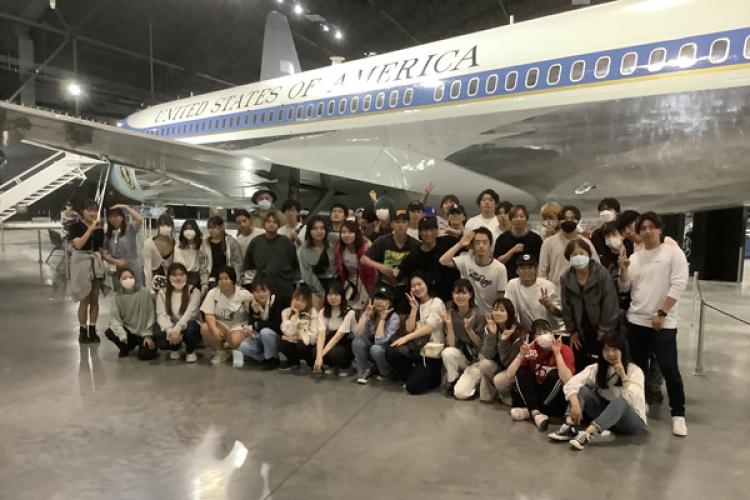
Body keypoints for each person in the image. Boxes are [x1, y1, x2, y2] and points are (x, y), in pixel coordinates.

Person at [619, 211, 689, 437]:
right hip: (636, 320)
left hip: (663, 322)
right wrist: (623, 269)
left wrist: (662, 312)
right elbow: (626, 288)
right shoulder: (636, 257)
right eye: (643, 228)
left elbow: (678, 284)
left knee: (669, 368)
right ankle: (642, 404)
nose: (647, 231)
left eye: (652, 227)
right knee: (638, 368)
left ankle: (678, 414)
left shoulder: (672, 253)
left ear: (660, 229)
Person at [549, 331, 646, 450]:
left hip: (630, 421)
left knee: (620, 401)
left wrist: (623, 376)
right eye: (606, 350)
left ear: (623, 350)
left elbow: (634, 400)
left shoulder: (634, 371)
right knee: (582, 389)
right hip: (605, 414)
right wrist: (575, 404)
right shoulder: (597, 369)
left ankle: (588, 433)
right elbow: (572, 383)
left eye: (615, 349)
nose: (610, 353)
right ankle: (570, 426)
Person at [560, 239, 622, 371]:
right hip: (580, 328)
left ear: (588, 254)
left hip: (603, 327)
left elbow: (610, 302)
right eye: (573, 255)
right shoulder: (565, 277)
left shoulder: (601, 273)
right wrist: (572, 331)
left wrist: (604, 329)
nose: (578, 257)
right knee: (581, 363)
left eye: (581, 253)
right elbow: (566, 306)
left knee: (604, 362)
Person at [503, 319, 575, 430]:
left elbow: (568, 380)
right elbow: (509, 374)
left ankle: (531, 411)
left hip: (554, 399)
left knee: (555, 374)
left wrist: (557, 353)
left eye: (546, 332)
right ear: (534, 337)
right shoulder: (531, 349)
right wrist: (521, 355)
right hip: (536, 393)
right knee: (521, 371)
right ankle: (536, 412)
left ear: (552, 333)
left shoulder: (565, 350)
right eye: (539, 334)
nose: (543, 336)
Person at [385, 272, 446, 395]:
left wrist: (406, 338)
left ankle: (428, 375)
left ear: (427, 284)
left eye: (420, 284)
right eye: (413, 286)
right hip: (416, 350)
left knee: (414, 387)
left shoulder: (436, 302)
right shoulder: (414, 304)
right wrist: (413, 309)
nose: (417, 288)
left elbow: (429, 327)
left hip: (431, 352)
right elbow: (409, 327)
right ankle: (413, 372)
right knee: (390, 351)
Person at [361, 209, 420, 318]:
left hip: (405, 288)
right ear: (392, 224)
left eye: (404, 221)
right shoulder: (382, 241)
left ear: (408, 223)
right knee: (379, 316)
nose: (400, 225)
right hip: (384, 285)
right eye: (397, 222)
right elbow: (364, 259)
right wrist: (381, 267)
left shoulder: (415, 244)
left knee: (402, 319)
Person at [439, 227, 507, 315]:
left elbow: (501, 299)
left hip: (489, 315)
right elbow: (443, 261)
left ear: (490, 245)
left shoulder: (500, 268)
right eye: (477, 242)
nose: (481, 246)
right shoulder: (466, 260)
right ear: (472, 245)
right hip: (468, 313)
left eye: (485, 242)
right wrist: (460, 244)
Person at [439, 279, 487, 399]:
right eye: (456, 293)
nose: (459, 296)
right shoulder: (450, 312)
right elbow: (452, 345)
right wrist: (449, 326)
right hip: (463, 356)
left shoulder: (479, 314)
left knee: (460, 394)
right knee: (447, 352)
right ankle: (453, 380)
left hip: (478, 359)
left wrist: (469, 330)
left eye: (463, 293)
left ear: (470, 294)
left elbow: (481, 344)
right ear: (452, 294)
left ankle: (475, 382)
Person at [69, 199, 106, 344]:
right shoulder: (75, 226)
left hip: (95, 262)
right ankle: (82, 330)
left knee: (95, 299)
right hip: (81, 261)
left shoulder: (100, 229)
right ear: (82, 211)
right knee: (84, 297)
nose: (92, 213)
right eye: (89, 210)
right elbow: (78, 244)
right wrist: (90, 229)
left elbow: (100, 249)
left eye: (95, 210)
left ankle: (93, 329)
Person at [400, 216, 460, 303]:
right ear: (419, 232)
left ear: (437, 231)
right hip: (429, 301)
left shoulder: (448, 242)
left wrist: (459, 232)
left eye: (432, 230)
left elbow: (468, 242)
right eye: (425, 230)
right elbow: (405, 276)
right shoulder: (413, 256)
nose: (429, 233)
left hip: (454, 298)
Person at [200, 267, 253, 365]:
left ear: (233, 280)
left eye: (226, 278)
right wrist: (214, 329)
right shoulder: (213, 293)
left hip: (239, 325)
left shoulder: (243, 294)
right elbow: (208, 313)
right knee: (205, 328)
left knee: (235, 339)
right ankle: (220, 352)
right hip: (222, 324)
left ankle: (238, 350)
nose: (223, 281)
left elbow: (254, 310)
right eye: (220, 279)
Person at [103, 267, 158, 360]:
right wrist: (121, 333)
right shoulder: (117, 297)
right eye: (124, 278)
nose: (128, 280)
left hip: (144, 331)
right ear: (119, 280)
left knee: (145, 355)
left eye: (130, 277)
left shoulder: (144, 292)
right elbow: (114, 319)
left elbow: (151, 315)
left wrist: (148, 335)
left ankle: (149, 345)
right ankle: (125, 348)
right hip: (128, 331)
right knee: (110, 332)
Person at [538, 205, 599, 287]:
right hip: (556, 293)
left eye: (572, 218)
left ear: (577, 221)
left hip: (582, 293)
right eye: (565, 218)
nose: (569, 221)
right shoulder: (548, 243)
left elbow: (597, 268)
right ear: (559, 221)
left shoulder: (586, 242)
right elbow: (542, 272)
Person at [235, 277, 288, 369]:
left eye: (264, 291)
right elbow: (252, 324)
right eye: (257, 292)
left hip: (276, 336)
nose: (261, 295)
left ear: (269, 291)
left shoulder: (277, 301)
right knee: (242, 346)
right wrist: (256, 314)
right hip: (259, 337)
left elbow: (276, 325)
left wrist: (257, 325)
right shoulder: (254, 304)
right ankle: (265, 358)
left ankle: (272, 358)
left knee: (265, 332)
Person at [244, 212, 299, 300]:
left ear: (279, 225)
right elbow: (248, 266)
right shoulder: (256, 242)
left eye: (274, 222)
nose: (271, 224)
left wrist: (291, 281)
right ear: (264, 224)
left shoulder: (286, 242)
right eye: (268, 221)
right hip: (261, 289)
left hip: (283, 288)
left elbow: (295, 265)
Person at [479, 298, 524, 404]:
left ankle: (509, 396)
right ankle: (492, 393)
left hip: (514, 370)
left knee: (499, 380)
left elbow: (508, 363)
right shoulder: (490, 326)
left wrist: (503, 342)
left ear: (510, 313)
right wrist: (492, 334)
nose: (497, 313)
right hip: (499, 365)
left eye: (502, 310)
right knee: (484, 364)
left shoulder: (519, 332)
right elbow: (487, 354)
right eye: (495, 309)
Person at [504, 253, 564, 332]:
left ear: (536, 270)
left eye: (530, 268)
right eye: (522, 268)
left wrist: (548, 305)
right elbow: (509, 312)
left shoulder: (548, 286)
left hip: (554, 331)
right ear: (517, 271)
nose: (526, 271)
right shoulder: (512, 284)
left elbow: (561, 314)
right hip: (531, 332)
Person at [155, 263, 202, 363]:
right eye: (175, 275)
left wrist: (177, 329)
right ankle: (174, 348)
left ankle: (190, 351)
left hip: (188, 324)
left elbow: (190, 313)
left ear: (186, 276)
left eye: (181, 274)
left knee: (191, 329)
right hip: (172, 327)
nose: (178, 278)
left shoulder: (194, 291)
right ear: (169, 277)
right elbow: (161, 315)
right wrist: (170, 331)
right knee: (158, 334)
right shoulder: (163, 292)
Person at [352, 286, 400, 384]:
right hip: (372, 348)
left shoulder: (394, 318)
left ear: (389, 302)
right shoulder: (370, 313)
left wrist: (382, 319)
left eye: (383, 298)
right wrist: (365, 316)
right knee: (357, 342)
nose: (379, 301)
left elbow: (380, 341)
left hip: (385, 351)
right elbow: (357, 334)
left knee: (376, 348)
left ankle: (386, 373)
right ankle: (366, 371)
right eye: (377, 298)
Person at [313, 282, 358, 376]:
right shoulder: (323, 312)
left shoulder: (349, 312)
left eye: (336, 294)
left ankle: (346, 367)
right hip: (332, 340)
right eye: (330, 294)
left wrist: (320, 356)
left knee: (336, 352)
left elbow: (338, 336)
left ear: (342, 296)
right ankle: (330, 365)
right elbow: (321, 334)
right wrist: (318, 356)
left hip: (347, 342)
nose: (333, 297)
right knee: (314, 351)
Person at [334, 220, 378, 311]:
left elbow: (371, 275)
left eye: (350, 232)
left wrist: (371, 295)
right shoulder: (339, 248)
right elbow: (341, 271)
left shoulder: (365, 249)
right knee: (348, 309)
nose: (346, 235)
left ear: (356, 233)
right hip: (350, 283)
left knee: (363, 310)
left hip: (366, 283)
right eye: (343, 232)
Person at [493, 204, 543, 279]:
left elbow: (540, 263)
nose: (519, 219)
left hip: (531, 281)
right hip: (508, 279)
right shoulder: (502, 238)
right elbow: (497, 262)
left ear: (526, 218)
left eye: (522, 216)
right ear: (511, 219)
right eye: (515, 217)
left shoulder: (536, 239)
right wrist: (512, 251)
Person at [298, 215, 336, 310]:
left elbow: (348, 236)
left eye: (322, 228)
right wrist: (322, 294)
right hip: (314, 286)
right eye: (315, 228)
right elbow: (308, 275)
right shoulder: (303, 249)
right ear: (309, 231)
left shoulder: (332, 240)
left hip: (334, 284)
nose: (319, 231)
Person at [102, 204, 144, 289]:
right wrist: (115, 261)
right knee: (120, 292)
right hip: (117, 269)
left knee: (136, 291)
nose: (113, 219)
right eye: (111, 217)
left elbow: (139, 219)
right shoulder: (108, 234)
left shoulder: (130, 229)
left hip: (132, 267)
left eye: (116, 216)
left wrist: (125, 207)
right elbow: (103, 253)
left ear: (122, 217)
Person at [278, 286, 318, 370]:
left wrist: (295, 337)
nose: (298, 303)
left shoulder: (313, 313)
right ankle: (294, 362)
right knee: (282, 343)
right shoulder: (286, 312)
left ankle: (311, 363)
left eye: (302, 301)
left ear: (308, 302)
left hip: (309, 344)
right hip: (295, 340)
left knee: (301, 346)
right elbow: (287, 332)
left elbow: (310, 339)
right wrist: (295, 317)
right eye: (296, 299)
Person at [200, 216, 242, 289]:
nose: (211, 230)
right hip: (211, 279)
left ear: (221, 227)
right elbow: (203, 265)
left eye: (214, 227)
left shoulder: (231, 242)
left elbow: (237, 263)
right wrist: (204, 283)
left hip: (228, 279)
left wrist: (237, 281)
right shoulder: (205, 244)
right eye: (209, 228)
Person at [143, 214, 175, 293]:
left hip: (171, 282)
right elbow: (147, 268)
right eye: (163, 225)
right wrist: (149, 288)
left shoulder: (176, 244)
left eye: (168, 225)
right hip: (154, 281)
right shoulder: (148, 244)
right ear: (158, 226)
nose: (165, 227)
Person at [173, 219, 208, 292]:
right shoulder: (178, 246)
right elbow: (178, 263)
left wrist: (204, 283)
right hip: (181, 276)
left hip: (196, 276)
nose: (189, 231)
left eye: (191, 228)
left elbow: (203, 265)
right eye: (186, 229)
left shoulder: (201, 246)